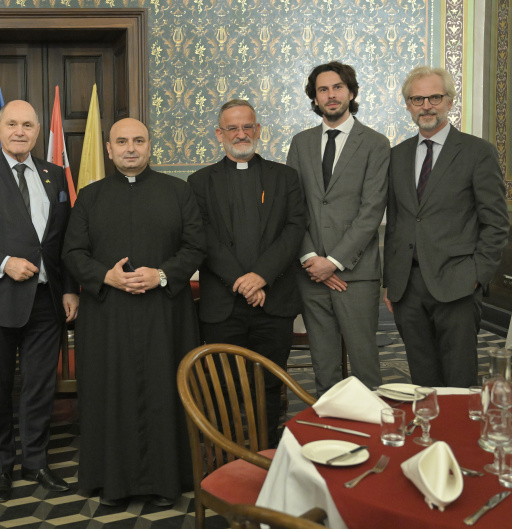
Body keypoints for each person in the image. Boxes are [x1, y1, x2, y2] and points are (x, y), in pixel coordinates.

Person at [62, 118, 205, 507]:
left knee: (164, 392)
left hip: (164, 315)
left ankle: (167, 480)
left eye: (138, 140)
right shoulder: (90, 196)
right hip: (108, 316)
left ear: (149, 146)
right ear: (109, 149)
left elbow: (196, 246)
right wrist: (105, 276)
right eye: (122, 141)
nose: (130, 148)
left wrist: (162, 274)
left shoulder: (178, 191)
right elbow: (72, 252)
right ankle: (111, 482)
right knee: (111, 395)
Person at [0, 100, 79, 503]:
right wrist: (4, 263)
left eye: (27, 125)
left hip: (46, 301)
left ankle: (35, 461)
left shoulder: (54, 174)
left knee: (40, 387)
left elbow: (64, 240)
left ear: (38, 130)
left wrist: (70, 288)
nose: (19, 131)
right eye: (12, 124)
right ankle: (2, 466)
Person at [188, 100, 306, 447]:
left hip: (274, 300)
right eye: (232, 128)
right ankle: (227, 454)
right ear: (219, 134)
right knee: (225, 385)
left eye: (247, 127)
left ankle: (265, 452)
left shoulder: (285, 178)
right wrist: (243, 283)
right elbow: (203, 236)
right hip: (223, 304)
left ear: (258, 130)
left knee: (270, 384)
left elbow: (294, 229)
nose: (241, 134)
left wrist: (261, 276)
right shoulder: (199, 182)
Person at [383, 67, 509, 387]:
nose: (426, 106)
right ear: (408, 105)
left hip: (458, 284)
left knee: (458, 379)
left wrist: (477, 275)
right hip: (407, 288)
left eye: (435, 97)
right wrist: (390, 282)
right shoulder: (396, 156)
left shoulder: (477, 152)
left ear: (450, 101)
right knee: (421, 380)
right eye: (417, 99)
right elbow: (396, 222)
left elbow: (496, 223)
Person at [287, 61, 390, 396]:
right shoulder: (301, 143)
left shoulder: (375, 143)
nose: (330, 95)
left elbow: (371, 211)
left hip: (355, 274)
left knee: (365, 365)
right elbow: (293, 208)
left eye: (337, 87)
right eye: (323, 89)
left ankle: (371, 426)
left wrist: (333, 262)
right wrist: (310, 259)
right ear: (315, 98)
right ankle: (328, 423)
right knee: (324, 365)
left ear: (351, 92)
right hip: (310, 274)